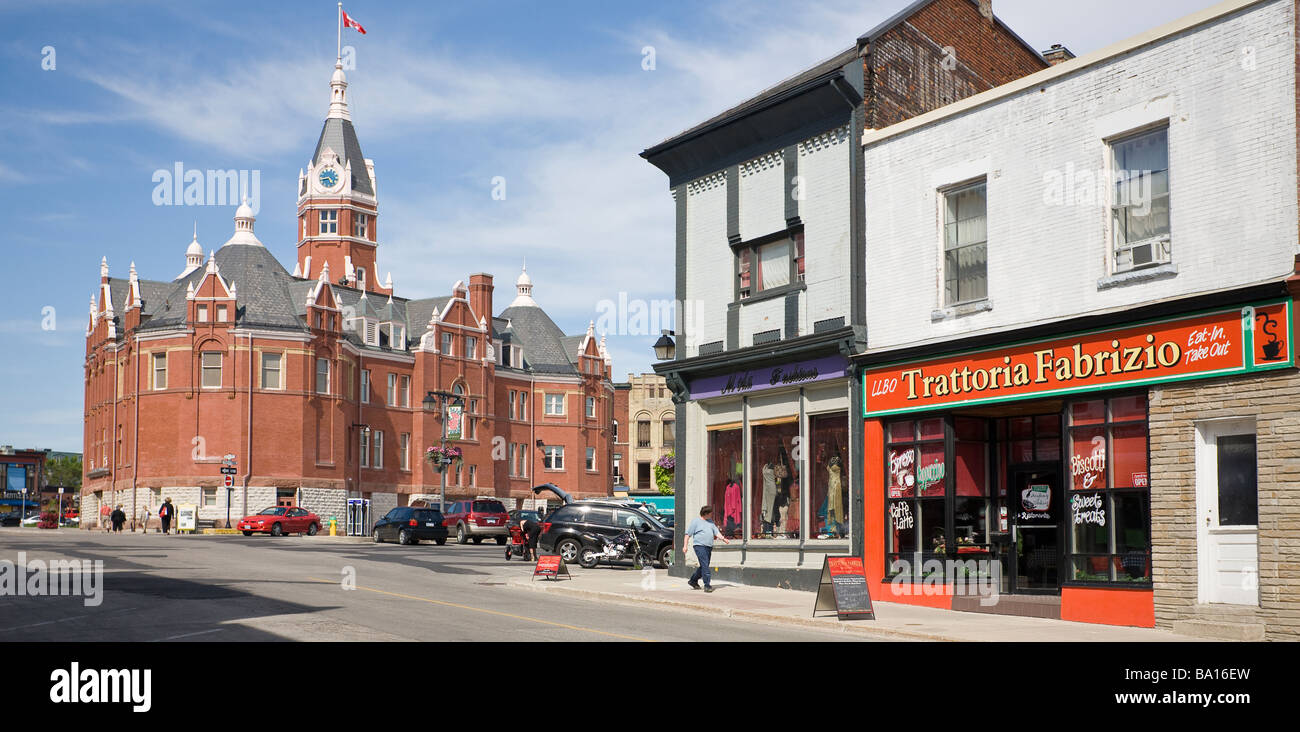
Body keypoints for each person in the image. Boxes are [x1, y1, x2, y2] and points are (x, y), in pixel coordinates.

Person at [684, 505, 729, 593]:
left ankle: (693, 580)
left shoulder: (711, 522)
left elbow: (716, 532)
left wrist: (724, 539)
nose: (712, 515)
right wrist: (685, 546)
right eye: (711, 513)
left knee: (704, 566)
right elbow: (687, 534)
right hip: (699, 546)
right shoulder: (696, 522)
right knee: (705, 565)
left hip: (708, 547)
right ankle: (707, 585)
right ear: (706, 513)